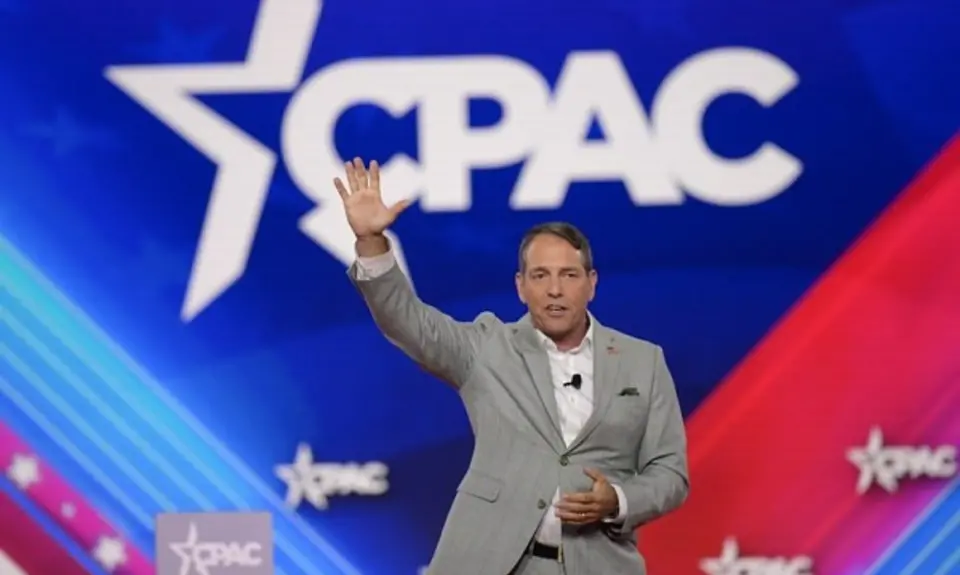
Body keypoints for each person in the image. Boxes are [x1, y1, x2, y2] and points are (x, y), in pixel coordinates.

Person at [336, 158, 689, 575]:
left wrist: (618, 500)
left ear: (592, 283)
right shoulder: (487, 347)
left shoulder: (643, 361)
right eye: (540, 276)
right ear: (521, 287)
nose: (554, 289)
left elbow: (670, 474)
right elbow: (408, 322)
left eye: (569, 275)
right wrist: (372, 242)